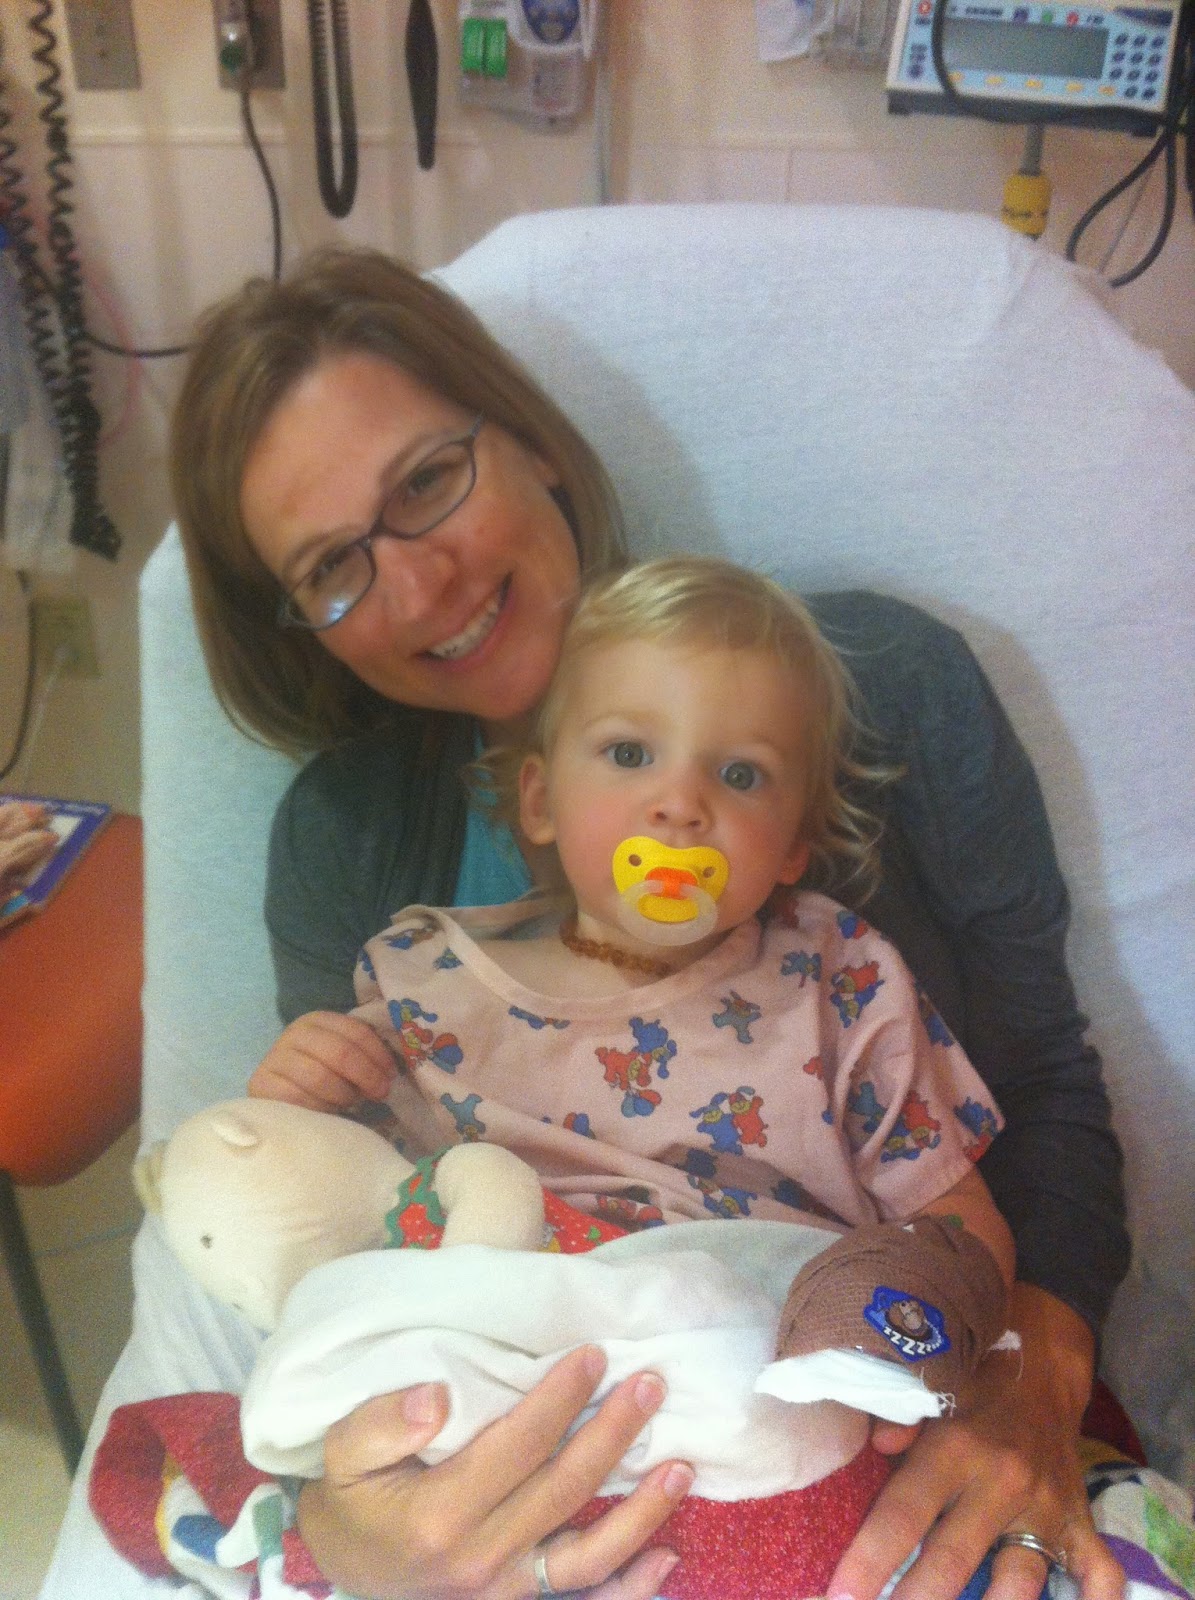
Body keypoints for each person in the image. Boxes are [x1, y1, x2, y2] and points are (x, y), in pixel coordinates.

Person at [170, 244, 1130, 1600]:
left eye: (427, 481)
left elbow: (1043, 1093)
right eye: (333, 564)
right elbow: (348, 1227)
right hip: (548, 1463)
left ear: (530, 443)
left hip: (869, 1422)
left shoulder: (880, 690)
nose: (420, 584)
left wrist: (1022, 1380)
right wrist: (349, 1528)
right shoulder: (349, 853)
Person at [249, 551, 1016, 1392]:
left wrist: (884, 1359)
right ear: (539, 800)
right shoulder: (422, 989)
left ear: (794, 843)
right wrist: (296, 1095)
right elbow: (337, 1208)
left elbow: (954, 1225)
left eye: (739, 774)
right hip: (506, 1385)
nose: (680, 803)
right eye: (627, 753)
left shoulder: (838, 981)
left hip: (763, 1374)